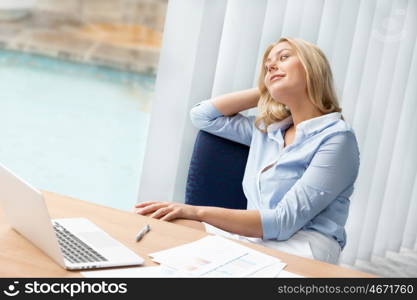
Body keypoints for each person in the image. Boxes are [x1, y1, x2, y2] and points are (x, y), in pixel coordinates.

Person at [134, 37, 360, 264]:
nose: (270, 66)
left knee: (185, 229)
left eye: (284, 57)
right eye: (267, 65)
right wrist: (266, 88)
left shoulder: (337, 138)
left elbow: (283, 221)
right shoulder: (266, 131)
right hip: (254, 238)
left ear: (313, 69)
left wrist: (195, 212)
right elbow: (202, 116)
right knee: (163, 224)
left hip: (304, 246)